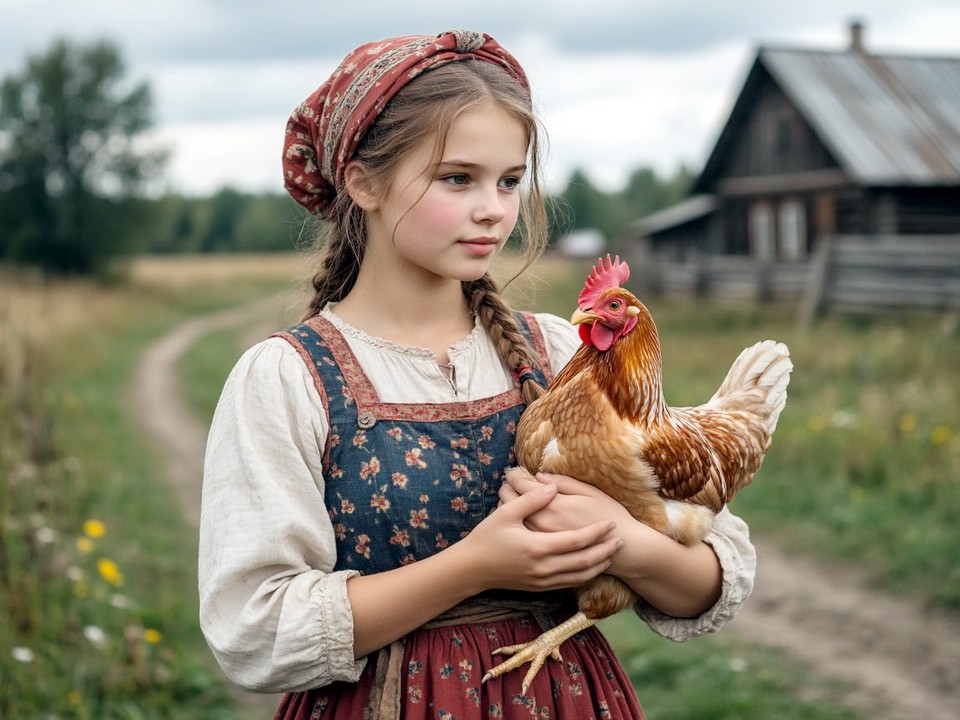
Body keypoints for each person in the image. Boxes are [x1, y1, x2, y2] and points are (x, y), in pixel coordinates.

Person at [198, 30, 755, 719]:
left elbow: (711, 578)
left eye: (510, 181)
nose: (493, 208)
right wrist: (476, 565)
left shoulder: (558, 355)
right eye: (457, 178)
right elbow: (253, 632)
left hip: (565, 697)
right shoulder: (288, 378)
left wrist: (620, 538)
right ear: (363, 181)